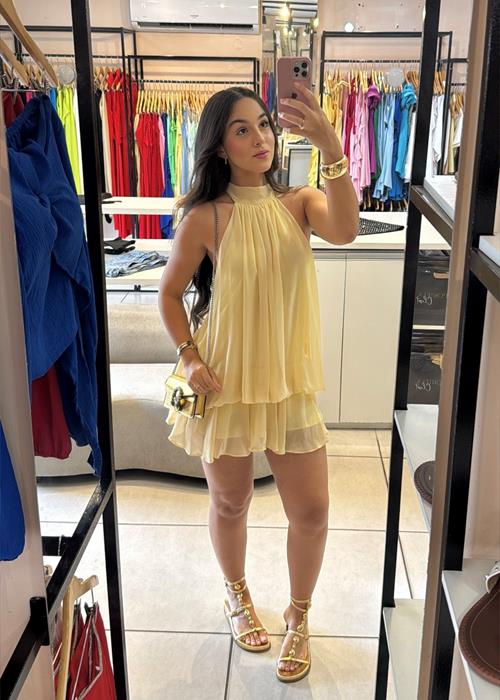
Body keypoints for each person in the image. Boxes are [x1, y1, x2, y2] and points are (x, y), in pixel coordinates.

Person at [158, 83, 359, 683]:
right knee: (231, 500)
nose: (260, 138)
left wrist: (331, 147)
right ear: (219, 146)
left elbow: (346, 229)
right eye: (241, 129)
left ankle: (299, 615)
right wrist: (189, 358)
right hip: (224, 378)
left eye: (264, 124)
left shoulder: (300, 202)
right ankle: (236, 592)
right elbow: (169, 295)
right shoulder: (205, 217)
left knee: (313, 509)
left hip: (288, 380)